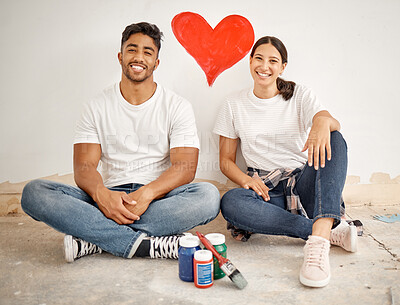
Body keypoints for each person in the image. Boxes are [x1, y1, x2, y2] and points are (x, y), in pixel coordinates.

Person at [21, 22, 220, 262]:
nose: (139, 57)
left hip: (158, 199)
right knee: (35, 193)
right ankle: (145, 245)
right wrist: (102, 196)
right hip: (108, 198)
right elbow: (84, 168)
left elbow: (185, 168)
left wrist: (146, 195)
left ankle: (94, 240)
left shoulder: (177, 106)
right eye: (132, 49)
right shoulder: (96, 106)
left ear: (156, 63)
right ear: (120, 56)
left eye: (148, 52)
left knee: (208, 196)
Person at [213, 36, 357, 288]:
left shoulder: (299, 94)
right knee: (231, 202)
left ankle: (318, 246)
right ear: (250, 61)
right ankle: (323, 231)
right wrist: (247, 180)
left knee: (335, 138)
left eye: (273, 61)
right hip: (265, 190)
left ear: (283, 67)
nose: (264, 66)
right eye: (258, 58)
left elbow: (330, 121)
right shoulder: (232, 103)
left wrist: (322, 122)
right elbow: (225, 161)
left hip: (303, 184)